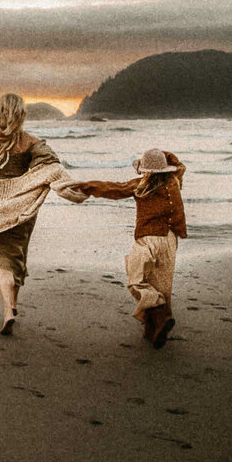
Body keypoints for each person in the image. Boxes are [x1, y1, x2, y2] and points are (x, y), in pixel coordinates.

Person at [0, 93, 87, 335]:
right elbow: (51, 168)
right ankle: (12, 304)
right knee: (14, 258)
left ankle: (8, 310)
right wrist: (73, 188)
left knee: (3, 262)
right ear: (22, 114)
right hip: (23, 211)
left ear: (0, 112)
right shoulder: (32, 142)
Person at [74, 148, 187, 348]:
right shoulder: (174, 181)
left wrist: (87, 187)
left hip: (148, 238)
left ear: (145, 170)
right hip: (170, 239)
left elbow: (113, 189)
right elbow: (179, 164)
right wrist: (164, 156)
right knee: (162, 285)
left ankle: (158, 316)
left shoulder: (140, 185)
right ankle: (153, 329)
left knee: (136, 280)